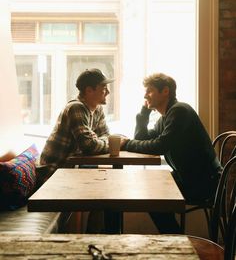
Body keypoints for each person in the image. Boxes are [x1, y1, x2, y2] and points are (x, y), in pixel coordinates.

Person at [122, 72, 222, 234]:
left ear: (165, 91)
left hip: (205, 183)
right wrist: (144, 113)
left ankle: (177, 241)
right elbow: (142, 138)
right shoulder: (166, 117)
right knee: (150, 190)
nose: (145, 95)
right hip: (190, 177)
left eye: (150, 90)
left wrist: (127, 144)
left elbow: (159, 146)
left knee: (153, 197)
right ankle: (175, 239)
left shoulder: (179, 111)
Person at [40, 68, 114, 170]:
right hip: (54, 171)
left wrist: (98, 142)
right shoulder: (76, 108)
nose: (108, 92)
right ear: (89, 91)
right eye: (104, 88)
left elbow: (105, 135)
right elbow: (89, 146)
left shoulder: (97, 108)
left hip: (73, 167)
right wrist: (110, 144)